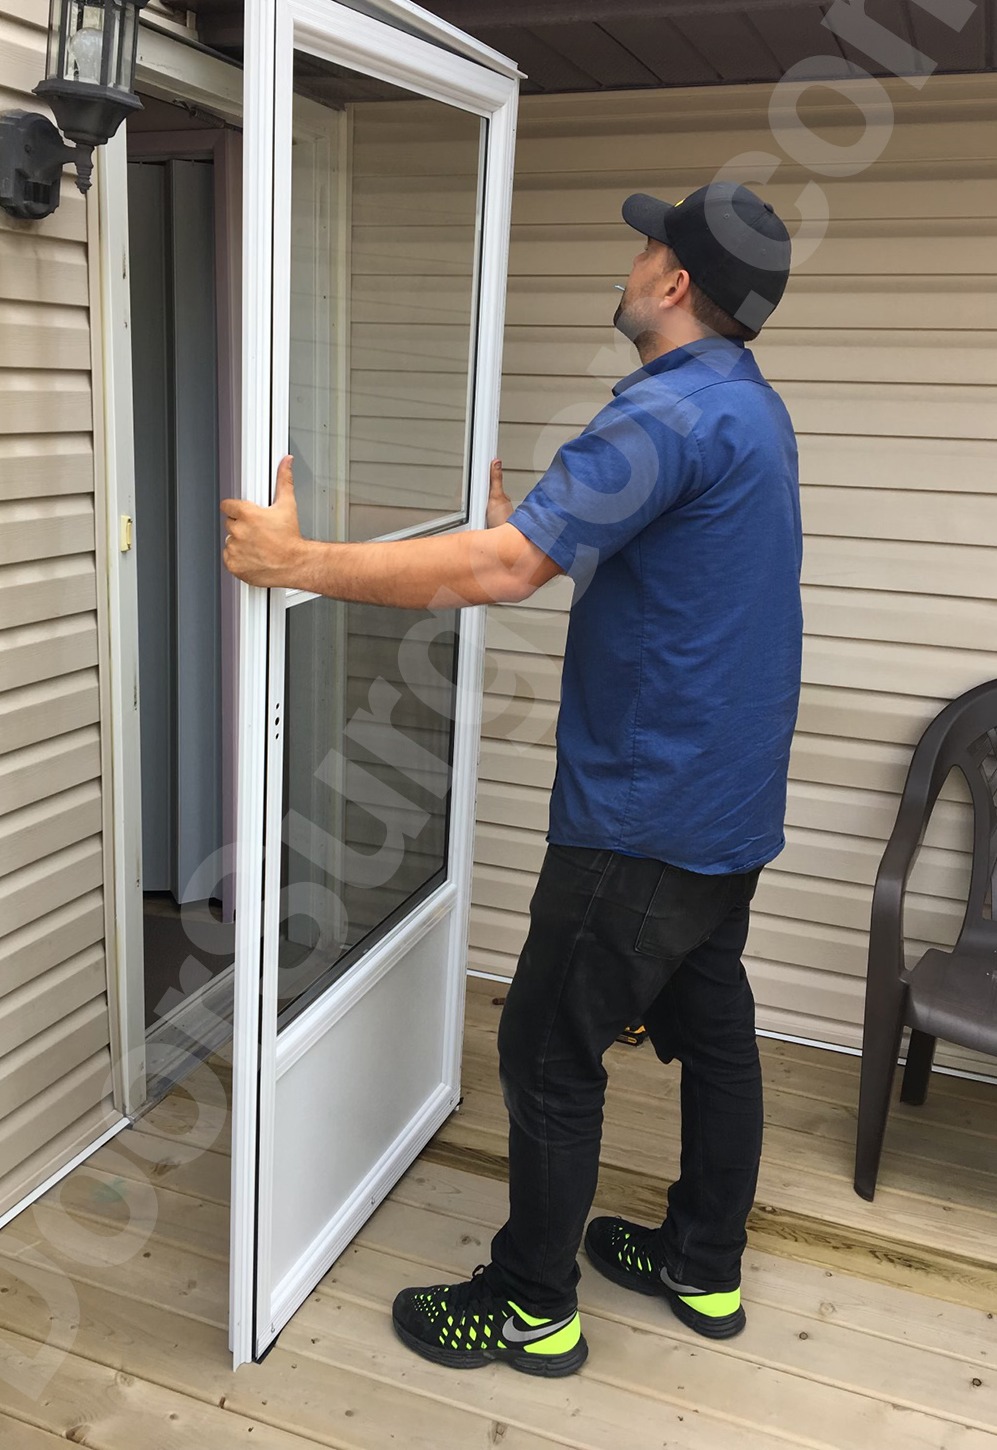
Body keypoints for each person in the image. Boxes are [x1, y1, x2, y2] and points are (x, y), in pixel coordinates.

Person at [222, 181, 803, 1379]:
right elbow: (668, 576)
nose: (636, 261)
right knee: (713, 1018)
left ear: (675, 282)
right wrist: (537, 531)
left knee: (545, 1048)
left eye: (648, 246)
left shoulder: (662, 418)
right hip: (729, 800)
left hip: (644, 813)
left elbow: (501, 572)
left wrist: (295, 562)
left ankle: (533, 1304)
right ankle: (704, 1259)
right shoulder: (745, 407)